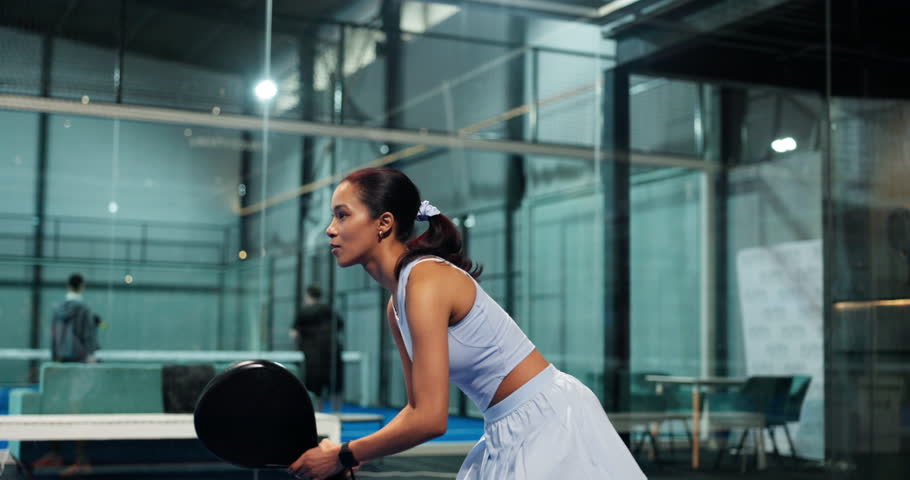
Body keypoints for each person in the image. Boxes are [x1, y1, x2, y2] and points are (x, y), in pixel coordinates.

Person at [289, 168, 646, 480]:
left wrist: (346, 454)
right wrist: (352, 453)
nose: (330, 229)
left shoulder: (426, 281)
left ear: (384, 223)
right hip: (502, 426)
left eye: (342, 215)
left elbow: (430, 420)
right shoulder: (395, 306)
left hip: (549, 419)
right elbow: (416, 409)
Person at [33, 273, 101, 476]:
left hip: (61, 364)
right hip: (79, 368)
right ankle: (81, 461)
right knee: (78, 410)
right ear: (82, 286)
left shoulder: (57, 310)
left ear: (67, 286)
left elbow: (54, 338)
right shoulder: (85, 309)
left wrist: (55, 360)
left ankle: (56, 454)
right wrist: (92, 357)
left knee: (57, 408)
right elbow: (89, 338)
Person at [290, 284, 345, 412]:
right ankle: (336, 415)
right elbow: (340, 326)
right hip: (332, 352)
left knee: (315, 388)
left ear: (307, 294)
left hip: (313, 354)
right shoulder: (330, 310)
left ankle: (318, 417)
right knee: (335, 386)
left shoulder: (304, 312)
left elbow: (294, 334)